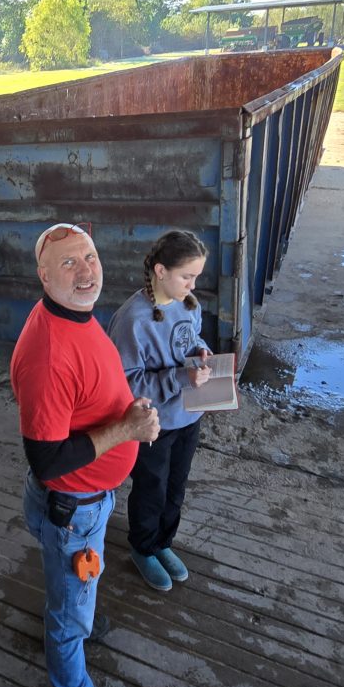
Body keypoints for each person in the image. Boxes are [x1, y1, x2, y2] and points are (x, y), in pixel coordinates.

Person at [10, 223, 160, 687]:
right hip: (74, 510)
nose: (85, 271)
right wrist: (127, 429)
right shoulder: (50, 355)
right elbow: (48, 461)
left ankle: (77, 610)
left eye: (90, 256)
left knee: (74, 591)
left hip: (82, 504)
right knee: (67, 619)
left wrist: (127, 411)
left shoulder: (72, 313)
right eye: (68, 263)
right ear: (44, 276)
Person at [107, 230, 211, 592]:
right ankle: (143, 548)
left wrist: (201, 352)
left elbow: (191, 339)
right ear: (161, 271)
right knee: (151, 488)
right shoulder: (132, 320)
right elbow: (127, 383)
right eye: (187, 277)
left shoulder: (188, 303)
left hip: (188, 415)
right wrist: (182, 377)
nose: (193, 285)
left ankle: (163, 543)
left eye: (196, 277)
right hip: (154, 423)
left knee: (176, 486)